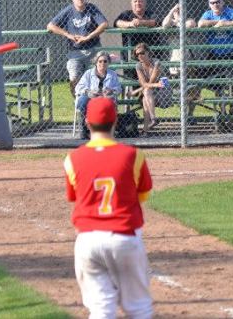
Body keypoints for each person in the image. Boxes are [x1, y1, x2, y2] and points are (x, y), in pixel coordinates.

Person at [63, 97, 154, 319]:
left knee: (101, 308)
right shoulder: (133, 155)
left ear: (87, 122)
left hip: (88, 240)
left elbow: (74, 197)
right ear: (115, 121)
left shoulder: (72, 159)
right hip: (125, 236)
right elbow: (142, 195)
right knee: (139, 308)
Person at [48, 0, 108, 97]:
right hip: (75, 52)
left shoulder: (91, 8)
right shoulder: (68, 11)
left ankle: (96, 101)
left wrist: (88, 37)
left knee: (97, 78)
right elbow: (50, 26)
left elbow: (104, 24)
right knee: (74, 78)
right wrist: (68, 35)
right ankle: (78, 101)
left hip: (93, 50)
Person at [198, 0, 233, 113]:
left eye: (218, 2)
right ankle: (222, 110)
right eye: (212, 3)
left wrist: (226, 23)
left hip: (230, 53)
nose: (215, 4)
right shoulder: (208, 14)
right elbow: (200, 23)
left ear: (222, 2)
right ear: (209, 4)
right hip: (214, 54)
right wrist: (217, 23)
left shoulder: (229, 12)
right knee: (211, 81)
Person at [161, 3, 201, 122]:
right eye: (176, 11)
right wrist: (172, 11)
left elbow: (190, 25)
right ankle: (183, 116)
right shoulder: (171, 26)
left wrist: (178, 20)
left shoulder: (188, 21)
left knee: (193, 90)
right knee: (179, 93)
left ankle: (190, 115)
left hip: (189, 65)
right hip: (175, 66)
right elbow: (164, 24)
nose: (178, 12)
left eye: (180, 11)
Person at [132, 42, 172, 133]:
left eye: (142, 53)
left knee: (146, 93)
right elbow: (144, 84)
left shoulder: (156, 63)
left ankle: (149, 124)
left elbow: (150, 82)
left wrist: (144, 87)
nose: (140, 56)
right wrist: (156, 85)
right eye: (137, 54)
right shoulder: (138, 65)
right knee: (145, 96)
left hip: (163, 92)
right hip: (150, 93)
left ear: (148, 52)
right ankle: (151, 122)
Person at [74, 50, 121, 122]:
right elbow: (79, 87)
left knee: (109, 103)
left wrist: (111, 91)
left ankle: (105, 126)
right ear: (96, 62)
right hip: (91, 97)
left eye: (105, 61)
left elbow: (118, 88)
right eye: (100, 61)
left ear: (108, 63)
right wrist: (88, 92)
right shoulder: (88, 73)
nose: (102, 63)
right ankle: (84, 124)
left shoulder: (113, 74)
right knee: (82, 101)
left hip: (106, 98)